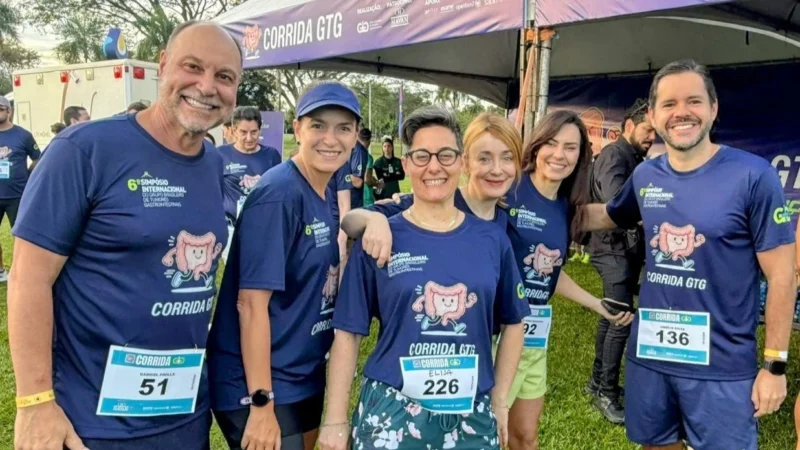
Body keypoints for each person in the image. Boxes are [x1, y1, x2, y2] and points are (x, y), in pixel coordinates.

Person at [338, 111, 632, 450]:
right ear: (465, 163)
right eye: (484, 158)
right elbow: (364, 218)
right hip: (467, 345)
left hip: (522, 334)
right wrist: (372, 218)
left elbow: (544, 269)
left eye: (506, 158)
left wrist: (596, 303)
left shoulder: (517, 212)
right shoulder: (442, 201)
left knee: (522, 436)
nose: (496, 169)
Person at [8, 20, 241, 450]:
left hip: (184, 416)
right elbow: (28, 278)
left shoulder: (213, 164)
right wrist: (35, 402)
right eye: (193, 67)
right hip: (91, 424)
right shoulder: (85, 150)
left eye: (224, 76)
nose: (207, 86)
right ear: (163, 66)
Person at [583, 59, 795, 450]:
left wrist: (774, 366)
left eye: (694, 101)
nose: (682, 112)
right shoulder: (646, 176)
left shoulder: (753, 176)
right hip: (651, 360)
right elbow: (607, 216)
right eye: (669, 104)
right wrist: (537, 212)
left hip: (721, 369)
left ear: (713, 109)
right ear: (653, 115)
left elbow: (783, 276)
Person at [319, 105, 528, 450]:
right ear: (406, 165)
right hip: (392, 409)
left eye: (446, 155)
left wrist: (500, 400)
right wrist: (335, 420)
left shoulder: (492, 240)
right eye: (421, 156)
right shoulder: (379, 238)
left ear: (460, 161)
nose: (434, 166)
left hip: (470, 412)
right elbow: (348, 334)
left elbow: (515, 322)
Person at [207, 80, 361, 450]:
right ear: (297, 129)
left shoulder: (322, 191)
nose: (331, 139)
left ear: (356, 136)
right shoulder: (279, 194)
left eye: (343, 128)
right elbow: (250, 305)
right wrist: (261, 403)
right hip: (259, 383)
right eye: (318, 125)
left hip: (302, 374)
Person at [585, 98, 656, 424]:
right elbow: (616, 202)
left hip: (622, 249)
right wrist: (653, 213)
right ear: (628, 125)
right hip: (610, 248)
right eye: (647, 130)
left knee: (611, 313)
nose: (652, 137)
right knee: (621, 318)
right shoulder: (616, 154)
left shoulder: (636, 157)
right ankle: (606, 393)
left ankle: (598, 382)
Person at [217, 106, 282, 260]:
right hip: (232, 229)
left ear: (260, 130)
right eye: (243, 132)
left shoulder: (271, 155)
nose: (249, 138)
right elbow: (213, 192)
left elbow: (279, 191)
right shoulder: (220, 154)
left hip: (263, 228)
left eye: (254, 132)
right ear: (233, 130)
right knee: (234, 277)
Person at [0, 94, 40, 283]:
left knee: (21, 236)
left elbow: (37, 158)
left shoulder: (22, 135)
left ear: (9, 111)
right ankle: (1, 271)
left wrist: (28, 176)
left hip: (18, 195)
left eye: (0, 108)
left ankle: (21, 271)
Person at [372, 135, 405, 201]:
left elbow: (402, 176)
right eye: (385, 146)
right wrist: (394, 175)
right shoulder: (378, 162)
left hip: (395, 192)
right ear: (382, 148)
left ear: (392, 147)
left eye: (389, 146)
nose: (387, 148)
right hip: (383, 193)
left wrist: (388, 175)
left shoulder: (398, 161)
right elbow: (381, 178)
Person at [348, 127, 371, 209]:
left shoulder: (354, 148)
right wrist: (340, 175)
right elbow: (357, 182)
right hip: (352, 202)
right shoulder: (360, 151)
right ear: (369, 141)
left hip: (350, 200)